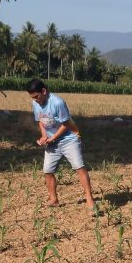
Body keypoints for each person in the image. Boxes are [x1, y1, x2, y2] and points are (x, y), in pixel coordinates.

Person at [28, 79, 96, 214]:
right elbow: (40, 121)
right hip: (52, 141)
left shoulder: (58, 102)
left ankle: (89, 199)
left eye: (36, 96)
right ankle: (54, 199)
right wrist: (43, 136)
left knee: (79, 167)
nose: (35, 100)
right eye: (32, 98)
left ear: (44, 91)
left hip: (69, 139)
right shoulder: (35, 104)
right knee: (48, 171)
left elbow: (65, 124)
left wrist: (52, 138)